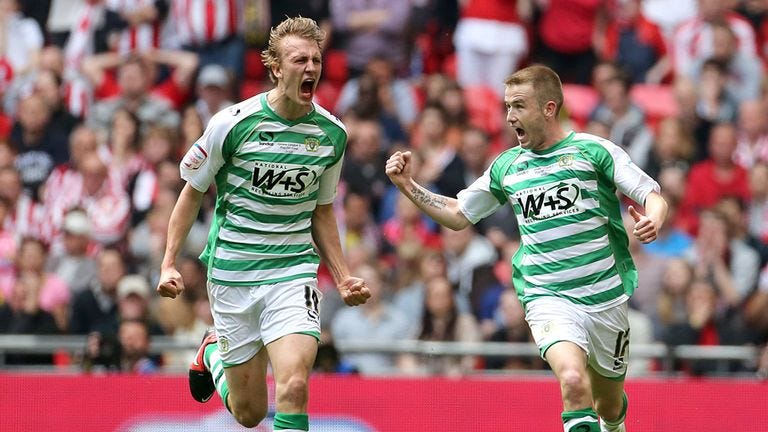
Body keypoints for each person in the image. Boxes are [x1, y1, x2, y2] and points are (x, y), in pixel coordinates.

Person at [385, 64, 668, 432]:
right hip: (547, 294)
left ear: (548, 108)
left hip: (605, 296)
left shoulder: (593, 151)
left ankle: (614, 423)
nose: (509, 116)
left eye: (518, 106)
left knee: (609, 404)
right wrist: (409, 186)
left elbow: (651, 193)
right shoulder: (508, 167)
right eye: (506, 107)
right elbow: (457, 214)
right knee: (571, 379)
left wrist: (654, 218)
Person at [156, 17, 370, 431]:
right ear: (274, 67)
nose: (310, 68)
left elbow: (322, 210)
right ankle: (213, 352)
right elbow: (192, 191)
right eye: (298, 60)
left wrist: (343, 277)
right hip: (234, 274)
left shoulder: (331, 135)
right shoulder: (231, 124)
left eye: (316, 60)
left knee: (294, 385)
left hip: (292, 272)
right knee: (249, 413)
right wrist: (168, 262)